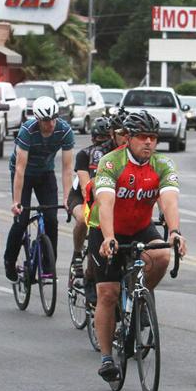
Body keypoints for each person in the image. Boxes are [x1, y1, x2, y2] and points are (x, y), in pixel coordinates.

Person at [86, 111, 185, 382]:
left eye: (153, 137)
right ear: (128, 138)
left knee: (163, 254)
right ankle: (107, 357)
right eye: (143, 137)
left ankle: (139, 297)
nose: (149, 142)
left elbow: (169, 200)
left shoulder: (162, 164)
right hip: (106, 229)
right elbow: (105, 201)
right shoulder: (110, 162)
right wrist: (108, 237)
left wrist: (175, 231)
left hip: (140, 226)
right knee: (107, 293)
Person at [4, 96, 74, 283]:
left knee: (51, 218)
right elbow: (19, 169)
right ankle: (9, 261)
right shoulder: (27, 131)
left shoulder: (64, 130)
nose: (50, 124)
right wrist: (16, 202)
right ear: (37, 119)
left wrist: (68, 198)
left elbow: (67, 169)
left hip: (45, 173)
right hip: (24, 174)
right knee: (21, 220)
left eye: (53, 119)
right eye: (45, 121)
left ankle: (48, 266)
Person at [67, 116, 114, 282]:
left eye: (107, 138)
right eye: (100, 138)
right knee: (83, 219)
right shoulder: (84, 154)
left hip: (107, 197)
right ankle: (77, 254)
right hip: (81, 196)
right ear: (93, 138)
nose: (103, 143)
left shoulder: (116, 156)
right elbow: (85, 187)